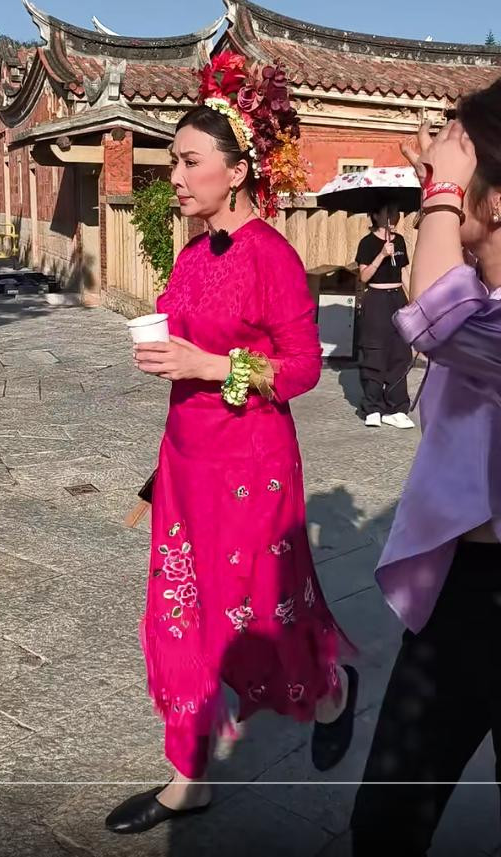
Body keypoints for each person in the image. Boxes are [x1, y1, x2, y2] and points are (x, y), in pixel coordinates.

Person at [105, 52, 357, 836]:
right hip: (186, 462)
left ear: (237, 171)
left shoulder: (271, 256)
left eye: (190, 162)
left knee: (254, 615)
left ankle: (330, 691)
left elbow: (304, 366)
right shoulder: (189, 254)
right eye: (173, 162)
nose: (176, 177)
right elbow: (182, 347)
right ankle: (189, 779)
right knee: (183, 614)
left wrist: (212, 365)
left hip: (253, 466)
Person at [351, 79, 501, 856]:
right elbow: (448, 304)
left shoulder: (475, 317)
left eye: (457, 164)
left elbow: (435, 320)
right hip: (464, 591)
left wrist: (443, 194)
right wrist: (446, 188)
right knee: (384, 824)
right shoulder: (483, 297)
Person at [355, 201, 415, 429]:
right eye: (388, 211)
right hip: (376, 299)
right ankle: (372, 407)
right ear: (375, 215)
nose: (394, 216)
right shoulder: (367, 243)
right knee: (375, 352)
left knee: (399, 351)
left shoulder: (399, 241)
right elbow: (364, 276)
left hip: (397, 297)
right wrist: (381, 255)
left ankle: (397, 408)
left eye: (396, 212)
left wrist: (413, 300)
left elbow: (403, 272)